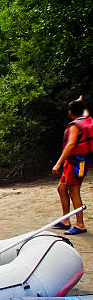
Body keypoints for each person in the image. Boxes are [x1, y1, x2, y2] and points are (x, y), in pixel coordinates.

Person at [52, 96, 92, 235]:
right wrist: (80, 102)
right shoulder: (86, 118)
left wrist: (58, 164)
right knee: (62, 189)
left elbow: (70, 145)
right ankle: (65, 220)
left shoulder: (75, 125)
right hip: (74, 162)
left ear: (70, 112)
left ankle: (80, 224)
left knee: (74, 190)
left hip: (76, 163)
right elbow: (84, 111)